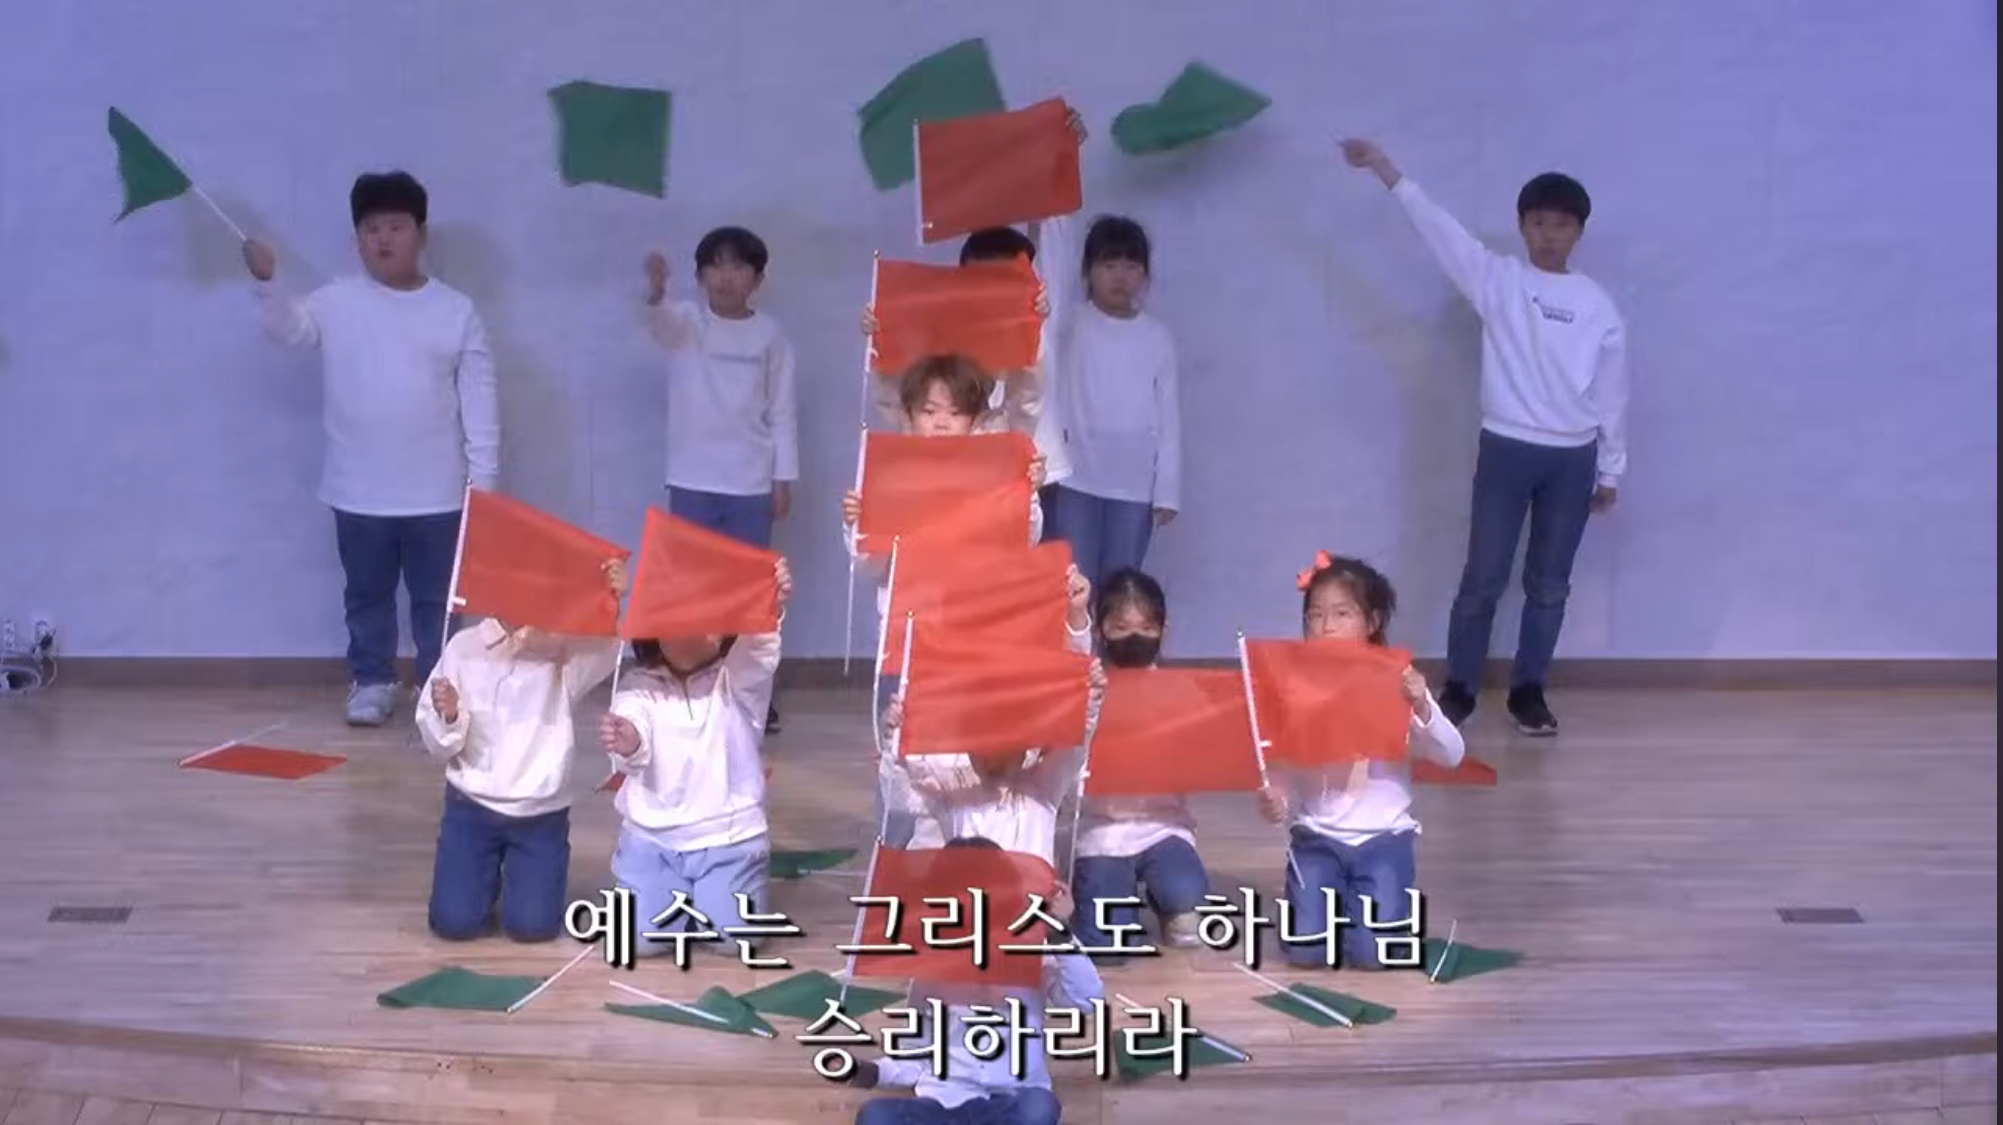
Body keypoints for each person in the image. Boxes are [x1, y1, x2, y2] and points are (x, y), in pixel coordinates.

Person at [1340, 138, 1629, 736]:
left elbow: (1611, 393)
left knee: (1549, 585)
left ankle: (1529, 692)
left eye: (1562, 225)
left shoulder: (1597, 306)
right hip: (1506, 449)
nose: (1549, 234)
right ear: (1523, 227)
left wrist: (1610, 470)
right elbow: (1438, 229)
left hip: (1572, 459)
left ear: (1579, 233)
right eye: (1539, 223)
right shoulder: (1497, 280)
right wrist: (1387, 171)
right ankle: (1460, 689)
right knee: (1483, 579)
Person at [244, 171, 499, 727]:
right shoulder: (337, 301)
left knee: (438, 600)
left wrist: (484, 486)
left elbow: (480, 403)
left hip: (438, 494)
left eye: (395, 227)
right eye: (371, 228)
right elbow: (290, 330)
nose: (383, 238)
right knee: (366, 595)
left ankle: (439, 688)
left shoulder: (456, 311)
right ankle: (372, 681)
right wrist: (268, 283)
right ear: (357, 238)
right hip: (358, 491)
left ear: (420, 234)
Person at [842, 355, 1047, 850]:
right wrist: (857, 523)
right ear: (908, 416)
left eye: (955, 413)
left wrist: (1027, 493)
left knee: (956, 756)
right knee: (899, 756)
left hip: (970, 646)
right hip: (906, 644)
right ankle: (895, 861)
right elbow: (868, 565)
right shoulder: (890, 478)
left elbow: (1025, 542)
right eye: (929, 411)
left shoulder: (992, 478)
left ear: (975, 421)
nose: (940, 422)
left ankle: (960, 850)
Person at [1258, 554, 1465, 970]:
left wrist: (1422, 706)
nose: (1326, 626)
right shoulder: (1296, 688)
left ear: (1372, 621)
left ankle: (1383, 907)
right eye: (1315, 615)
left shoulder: (1397, 683)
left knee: (1373, 956)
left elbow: (1451, 754)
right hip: (1316, 836)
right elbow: (1280, 758)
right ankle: (1333, 903)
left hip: (1383, 839)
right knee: (1305, 951)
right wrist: (1274, 793)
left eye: (1342, 614)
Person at [414, 560, 626, 943]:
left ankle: (519, 876)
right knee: (454, 923)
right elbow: (436, 739)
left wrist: (611, 601)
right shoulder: (464, 647)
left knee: (534, 928)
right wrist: (451, 715)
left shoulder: (561, 648)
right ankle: (479, 876)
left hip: (539, 812)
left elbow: (606, 651)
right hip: (471, 806)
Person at [641, 226, 797, 733]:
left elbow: (782, 411)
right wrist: (656, 292)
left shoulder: (770, 336)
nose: (726, 276)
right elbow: (658, 323)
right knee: (693, 590)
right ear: (700, 275)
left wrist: (783, 477)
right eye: (716, 265)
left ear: (758, 278)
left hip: (751, 483)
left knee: (750, 593)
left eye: (738, 266)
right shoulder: (688, 323)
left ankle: (752, 693)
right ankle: (695, 684)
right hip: (692, 480)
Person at [597, 558, 791, 960]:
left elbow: (759, 650)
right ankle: (674, 895)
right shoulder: (636, 686)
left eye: (710, 621)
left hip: (728, 840)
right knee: (637, 940)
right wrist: (629, 741)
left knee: (736, 939)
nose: (697, 631)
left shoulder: (738, 680)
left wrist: (771, 601)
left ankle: (715, 892)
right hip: (653, 841)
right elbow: (633, 736)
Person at [846, 837, 1101, 1125]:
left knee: (1039, 1108)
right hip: (944, 1102)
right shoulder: (933, 966)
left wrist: (1060, 933)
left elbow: (1087, 1001)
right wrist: (869, 1072)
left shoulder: (1032, 952)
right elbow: (915, 1057)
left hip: (1013, 1098)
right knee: (875, 1115)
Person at [880, 567, 1099, 866]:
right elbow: (903, 792)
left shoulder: (1041, 788)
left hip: (1026, 889)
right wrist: (894, 740)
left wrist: (1076, 622)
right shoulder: (949, 789)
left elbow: (1072, 713)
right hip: (944, 862)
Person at [1068, 568, 1211, 953]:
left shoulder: (1185, 693)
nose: (1134, 637)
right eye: (1120, 627)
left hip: (1165, 828)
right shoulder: (1089, 686)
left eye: (1146, 627)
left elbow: (1203, 760)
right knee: (1106, 945)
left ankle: (1169, 902)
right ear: (1101, 630)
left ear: (1164, 630)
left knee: (1186, 902)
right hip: (1102, 833)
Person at [1040, 216, 1181, 593]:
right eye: (1109, 264)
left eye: (1131, 266)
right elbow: (1049, 276)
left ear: (1145, 274)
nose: (1120, 276)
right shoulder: (1070, 325)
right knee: (1073, 585)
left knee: (1120, 591)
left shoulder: (1157, 337)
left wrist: (1167, 492)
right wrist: (1049, 221)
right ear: (1088, 270)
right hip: (1076, 479)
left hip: (1134, 486)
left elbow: (1168, 420)